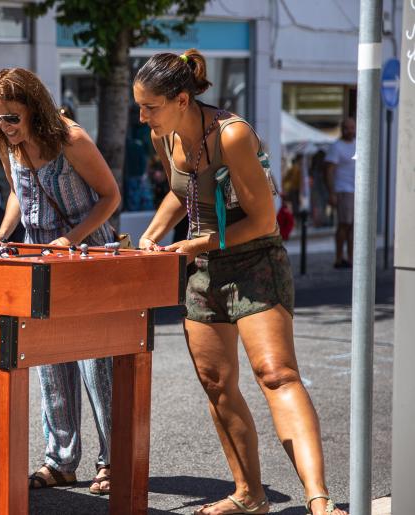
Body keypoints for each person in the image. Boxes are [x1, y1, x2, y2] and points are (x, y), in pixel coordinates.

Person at [134, 49, 347, 515]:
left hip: (255, 261)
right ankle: (249, 494)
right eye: (140, 106)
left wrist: (197, 245)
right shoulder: (163, 135)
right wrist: (150, 235)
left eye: (150, 106)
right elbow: (181, 191)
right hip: (205, 267)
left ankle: (319, 501)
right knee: (216, 382)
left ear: (182, 99)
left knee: (277, 374)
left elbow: (264, 221)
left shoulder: (232, 135)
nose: (142, 115)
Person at [0, 68, 121, 495]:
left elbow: (111, 196)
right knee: (50, 364)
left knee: (98, 365)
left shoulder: (70, 139)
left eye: (12, 118)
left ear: (35, 110)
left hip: (86, 254)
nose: (4, 127)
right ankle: (60, 461)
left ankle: (113, 461)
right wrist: (4, 232)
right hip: (39, 255)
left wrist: (69, 240)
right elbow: (19, 191)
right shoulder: (6, 142)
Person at [326, 117, 356, 269]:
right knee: (344, 224)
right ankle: (339, 258)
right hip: (343, 189)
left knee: (353, 226)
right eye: (347, 128)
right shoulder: (337, 147)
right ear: (342, 129)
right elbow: (329, 170)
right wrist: (332, 193)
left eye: (352, 127)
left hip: (357, 190)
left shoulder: (358, 144)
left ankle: (351, 258)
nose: (350, 131)